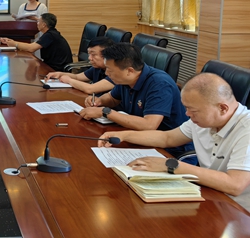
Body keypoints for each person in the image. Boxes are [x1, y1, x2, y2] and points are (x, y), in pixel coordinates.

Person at [98, 73, 250, 212]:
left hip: (239, 211)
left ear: (222, 108)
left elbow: (235, 185)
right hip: (210, 196)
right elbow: (167, 138)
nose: (187, 114)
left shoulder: (246, 129)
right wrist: (125, 135)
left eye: (193, 111)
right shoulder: (203, 120)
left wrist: (170, 165)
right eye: (186, 108)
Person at [79, 43, 191, 156]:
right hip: (140, 139)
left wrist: (105, 112)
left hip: (171, 150)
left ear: (129, 71)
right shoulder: (125, 79)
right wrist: (98, 101)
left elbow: (149, 125)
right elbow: (112, 98)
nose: (106, 73)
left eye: (109, 70)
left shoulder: (159, 84)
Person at [0, 13, 72, 71]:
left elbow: (31, 48)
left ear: (44, 25)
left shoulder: (50, 35)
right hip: (53, 65)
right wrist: (12, 42)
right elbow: (32, 46)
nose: (37, 23)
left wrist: (14, 43)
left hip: (57, 69)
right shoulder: (51, 33)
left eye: (38, 21)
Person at [44, 36, 115, 94]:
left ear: (107, 55)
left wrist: (69, 80)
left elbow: (91, 89)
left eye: (93, 54)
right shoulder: (97, 68)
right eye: (89, 54)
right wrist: (60, 74)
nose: (89, 58)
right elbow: (77, 77)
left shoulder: (116, 72)